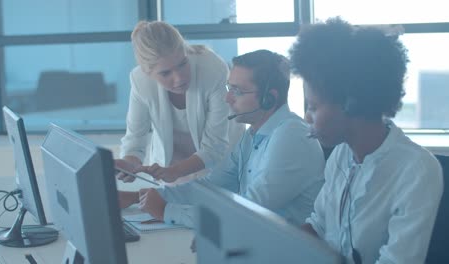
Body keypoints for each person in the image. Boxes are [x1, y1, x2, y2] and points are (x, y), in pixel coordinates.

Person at [289, 18, 443, 264]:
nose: (307, 116)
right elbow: (318, 226)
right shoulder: (341, 155)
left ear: (350, 103)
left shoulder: (416, 170)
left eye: (313, 107)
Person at [119, 49, 325, 228]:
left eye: (237, 91)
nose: (227, 98)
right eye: (229, 88)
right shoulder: (251, 137)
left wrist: (167, 212)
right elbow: (210, 187)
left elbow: (248, 211)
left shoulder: (291, 136)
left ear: (269, 97)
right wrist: (140, 198)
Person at [117, 21, 243, 185]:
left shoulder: (213, 68)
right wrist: (129, 164)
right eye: (165, 73)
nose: (179, 78)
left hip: (220, 163)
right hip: (170, 169)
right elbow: (135, 139)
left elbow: (214, 146)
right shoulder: (140, 81)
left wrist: (175, 171)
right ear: (148, 72)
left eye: (183, 64)